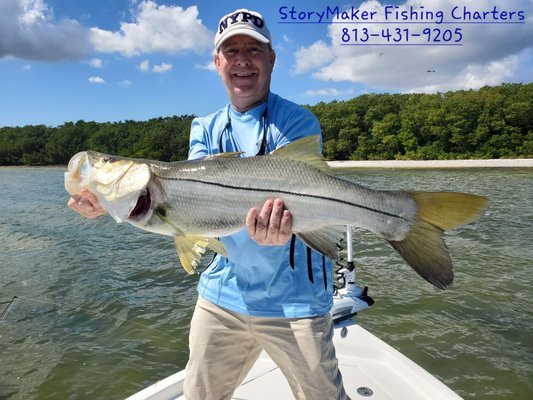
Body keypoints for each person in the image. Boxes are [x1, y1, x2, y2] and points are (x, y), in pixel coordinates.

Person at [68, 8, 348, 400]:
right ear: (217, 63)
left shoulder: (298, 122)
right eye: (231, 50)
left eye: (254, 48)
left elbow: (302, 190)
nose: (242, 59)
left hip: (294, 300)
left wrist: (279, 234)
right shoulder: (204, 127)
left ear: (271, 59)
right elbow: (189, 208)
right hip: (222, 296)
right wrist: (105, 203)